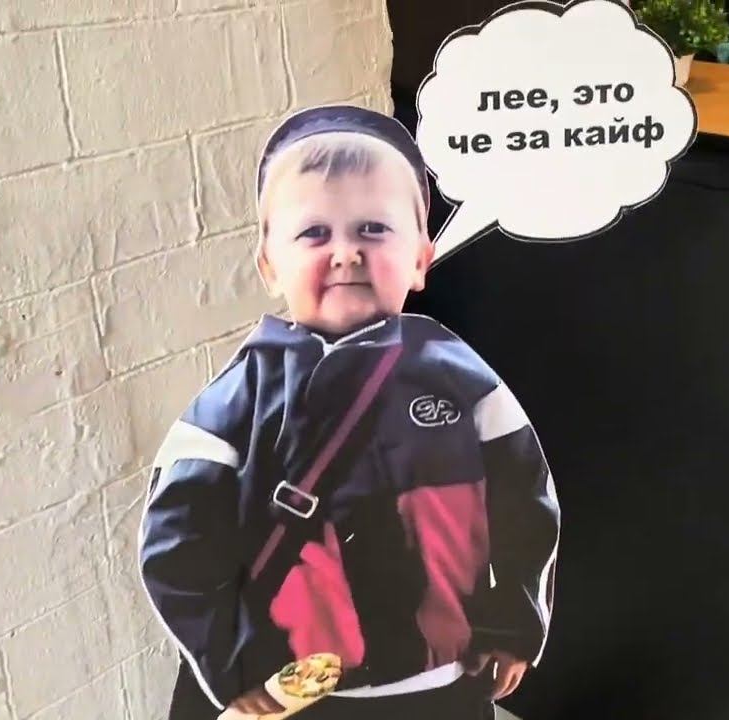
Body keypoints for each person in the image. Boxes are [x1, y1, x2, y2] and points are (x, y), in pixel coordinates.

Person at [138, 104, 560, 720]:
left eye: (373, 229)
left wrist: (513, 622)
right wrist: (231, 665)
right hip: (298, 696)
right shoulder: (242, 396)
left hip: (444, 684)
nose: (346, 253)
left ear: (420, 259)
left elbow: (525, 503)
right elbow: (176, 543)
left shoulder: (462, 378)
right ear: (270, 266)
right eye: (314, 233)